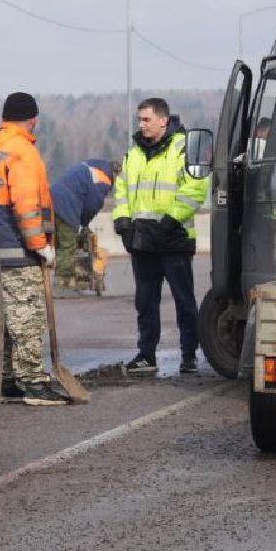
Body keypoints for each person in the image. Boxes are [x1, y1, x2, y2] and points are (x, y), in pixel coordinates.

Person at [0, 92, 66, 404]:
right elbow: (26, 205)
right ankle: (33, 383)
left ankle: (6, 380)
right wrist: (41, 246)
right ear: (33, 119)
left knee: (1, 318)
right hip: (18, 251)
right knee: (27, 317)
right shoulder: (22, 151)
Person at [113, 97, 208, 375]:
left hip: (174, 238)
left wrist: (170, 221)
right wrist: (122, 221)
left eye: (147, 119)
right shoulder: (134, 153)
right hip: (143, 241)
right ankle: (146, 355)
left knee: (183, 301)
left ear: (163, 120)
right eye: (139, 120)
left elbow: (196, 189)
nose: (141, 125)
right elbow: (122, 190)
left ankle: (189, 355)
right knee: (145, 302)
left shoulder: (184, 148)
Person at [49, 159, 116, 289]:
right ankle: (62, 284)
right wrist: (83, 223)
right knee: (68, 246)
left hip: (51, 199)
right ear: (114, 173)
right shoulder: (103, 178)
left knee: (56, 243)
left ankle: (60, 280)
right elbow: (92, 205)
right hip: (66, 206)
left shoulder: (87, 167)